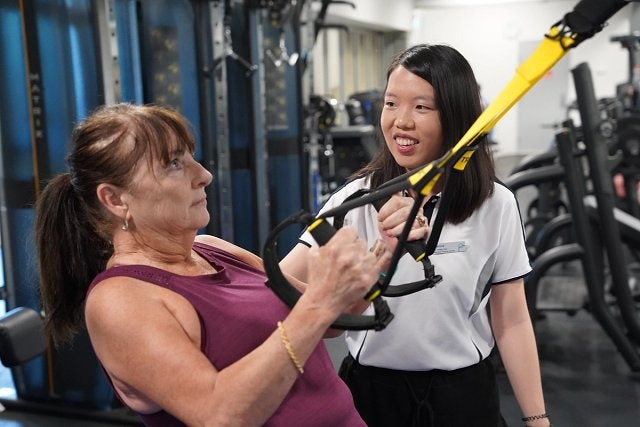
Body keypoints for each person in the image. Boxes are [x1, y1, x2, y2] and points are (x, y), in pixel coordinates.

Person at [34, 103, 390, 426]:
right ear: (114, 199)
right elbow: (219, 417)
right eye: (173, 163)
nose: (203, 174)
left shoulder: (213, 249)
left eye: (191, 156)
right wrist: (317, 305)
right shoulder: (121, 300)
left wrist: (386, 249)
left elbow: (333, 322)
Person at [281, 44, 550, 427]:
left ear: (456, 118)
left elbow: (511, 320)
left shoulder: (495, 204)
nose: (400, 122)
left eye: (421, 107)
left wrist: (537, 419)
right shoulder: (354, 200)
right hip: (373, 395)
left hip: (463, 396)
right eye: (392, 104)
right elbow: (282, 285)